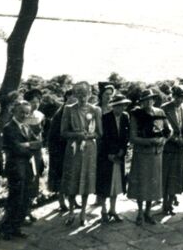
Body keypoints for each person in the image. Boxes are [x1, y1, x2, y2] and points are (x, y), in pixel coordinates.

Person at [60, 82, 103, 226]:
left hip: (89, 149)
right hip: (73, 148)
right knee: (72, 179)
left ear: (90, 94)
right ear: (75, 95)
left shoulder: (95, 110)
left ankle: (83, 212)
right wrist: (76, 134)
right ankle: (72, 211)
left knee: (86, 179)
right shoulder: (69, 109)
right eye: (79, 94)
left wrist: (89, 136)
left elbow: (99, 133)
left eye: (85, 94)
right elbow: (63, 132)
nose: (82, 97)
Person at [129, 89, 172, 224]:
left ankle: (148, 212)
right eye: (145, 100)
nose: (148, 102)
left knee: (153, 184)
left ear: (154, 100)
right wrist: (149, 141)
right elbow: (133, 137)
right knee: (142, 184)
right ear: (141, 102)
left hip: (156, 155)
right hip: (142, 154)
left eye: (151, 99)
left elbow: (169, 130)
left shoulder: (160, 112)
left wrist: (164, 140)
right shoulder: (136, 115)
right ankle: (140, 213)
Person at [2, 100, 41, 236]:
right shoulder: (9, 127)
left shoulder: (26, 127)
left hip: (27, 167)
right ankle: (7, 228)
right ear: (14, 111)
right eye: (21, 112)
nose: (24, 115)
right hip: (15, 168)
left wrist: (26, 144)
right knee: (15, 199)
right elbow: (16, 148)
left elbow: (39, 143)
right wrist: (29, 146)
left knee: (24, 198)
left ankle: (16, 227)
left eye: (27, 113)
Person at [97, 94, 130, 223]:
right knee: (105, 184)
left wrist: (122, 150)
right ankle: (104, 210)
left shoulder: (125, 117)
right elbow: (103, 138)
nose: (121, 108)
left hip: (119, 155)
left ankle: (113, 210)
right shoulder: (105, 118)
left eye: (123, 105)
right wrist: (108, 154)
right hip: (106, 156)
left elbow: (125, 136)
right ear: (114, 106)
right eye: (119, 105)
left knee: (116, 183)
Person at [162, 85, 183, 215]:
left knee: (176, 176)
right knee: (167, 176)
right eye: (177, 97)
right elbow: (161, 129)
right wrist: (174, 139)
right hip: (169, 148)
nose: (180, 100)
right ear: (173, 95)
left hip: (181, 148)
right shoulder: (164, 109)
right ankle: (165, 203)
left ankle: (170, 202)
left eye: (182, 97)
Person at [46, 90, 75, 213]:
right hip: (59, 149)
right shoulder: (61, 113)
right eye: (73, 96)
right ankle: (61, 201)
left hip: (69, 147)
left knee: (70, 174)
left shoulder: (73, 111)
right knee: (61, 174)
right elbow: (55, 135)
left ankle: (72, 200)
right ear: (67, 97)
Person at [22, 88, 46, 223]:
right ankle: (22, 212)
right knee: (26, 179)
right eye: (33, 101)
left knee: (34, 179)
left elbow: (42, 134)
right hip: (26, 152)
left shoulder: (41, 116)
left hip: (37, 151)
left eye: (38, 101)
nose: (36, 104)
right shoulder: (22, 116)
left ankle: (29, 210)